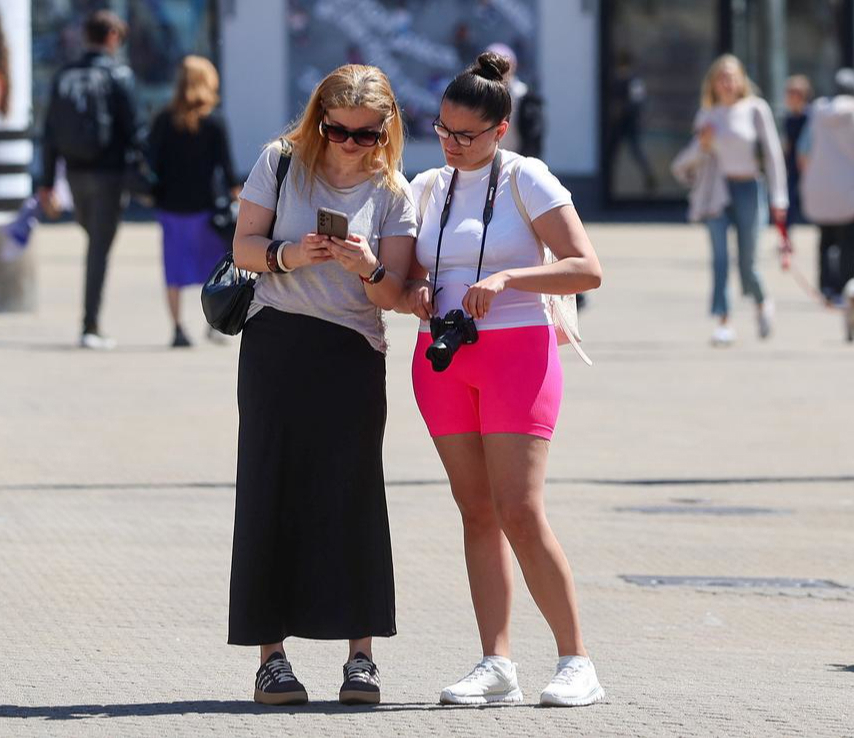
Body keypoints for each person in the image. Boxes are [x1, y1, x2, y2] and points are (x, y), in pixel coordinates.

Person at [400, 52, 604, 707]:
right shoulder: (429, 186)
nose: (453, 144)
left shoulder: (527, 179)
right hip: (442, 357)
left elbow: (585, 267)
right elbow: (408, 275)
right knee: (477, 512)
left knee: (519, 508)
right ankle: (498, 665)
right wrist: (421, 287)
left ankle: (577, 663)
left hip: (518, 351)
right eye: (443, 130)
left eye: (468, 135)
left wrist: (512, 277)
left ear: (501, 129)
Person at [229, 64, 416, 706]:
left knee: (354, 496)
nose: (351, 145)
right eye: (339, 131)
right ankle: (271, 659)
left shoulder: (395, 191)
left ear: (386, 129)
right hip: (277, 341)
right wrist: (288, 255)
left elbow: (396, 294)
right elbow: (244, 246)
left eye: (366, 135)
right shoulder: (280, 163)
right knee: (268, 486)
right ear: (319, 121)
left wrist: (366, 267)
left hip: (352, 352)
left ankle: (360, 658)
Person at [38, 10, 142, 350]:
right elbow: (135, 130)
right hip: (109, 175)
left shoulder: (64, 75)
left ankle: (90, 321)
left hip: (75, 174)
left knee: (93, 240)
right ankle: (90, 325)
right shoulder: (119, 76)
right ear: (111, 37)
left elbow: (49, 133)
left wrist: (47, 182)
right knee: (99, 247)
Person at [671, 54, 787, 346]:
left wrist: (779, 199)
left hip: (749, 188)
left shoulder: (756, 109)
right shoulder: (707, 115)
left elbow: (773, 155)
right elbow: (690, 160)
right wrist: (703, 144)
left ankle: (761, 301)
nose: (727, 81)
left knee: (748, 262)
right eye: (721, 76)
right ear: (713, 83)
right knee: (720, 259)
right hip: (717, 194)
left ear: (741, 80)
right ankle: (724, 322)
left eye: (732, 75)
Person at [148, 55, 239, 348]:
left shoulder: (163, 119)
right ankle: (215, 323)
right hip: (207, 208)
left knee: (173, 268)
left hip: (171, 207)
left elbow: (151, 162)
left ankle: (177, 328)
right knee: (214, 267)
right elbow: (226, 168)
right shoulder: (214, 122)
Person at [799, 68, 854, 310]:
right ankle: (847, 287)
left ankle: (826, 288)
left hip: (820, 186)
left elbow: (803, 150)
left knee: (825, 240)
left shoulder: (818, 111)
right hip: (848, 187)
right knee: (848, 242)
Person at [782, 75, 812, 228]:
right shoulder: (788, 118)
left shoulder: (811, 116)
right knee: (790, 201)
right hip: (793, 166)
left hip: (810, 166)